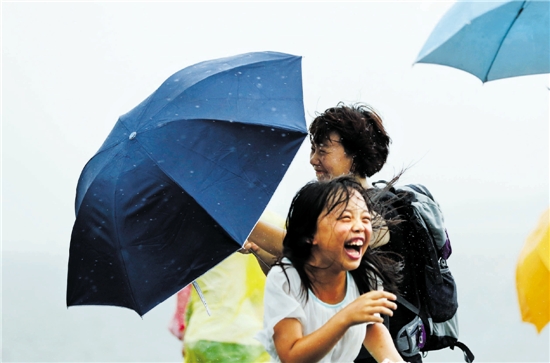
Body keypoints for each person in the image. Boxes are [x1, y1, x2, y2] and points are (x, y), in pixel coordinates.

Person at [249, 102, 422, 363]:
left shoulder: (384, 211)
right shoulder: (324, 208)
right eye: (312, 150)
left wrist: (245, 226)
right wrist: (257, 250)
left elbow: (314, 246)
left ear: (353, 155)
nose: (312, 159)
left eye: (322, 150)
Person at [256, 176, 407, 363]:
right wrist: (346, 317)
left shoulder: (365, 274)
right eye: (345, 218)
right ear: (310, 234)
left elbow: (370, 326)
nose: (359, 227)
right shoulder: (286, 278)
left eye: (365, 218)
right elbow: (291, 356)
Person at [169, 210, 283, 363]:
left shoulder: (201, 221)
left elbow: (190, 286)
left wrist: (187, 328)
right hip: (250, 339)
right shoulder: (277, 225)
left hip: (202, 334)